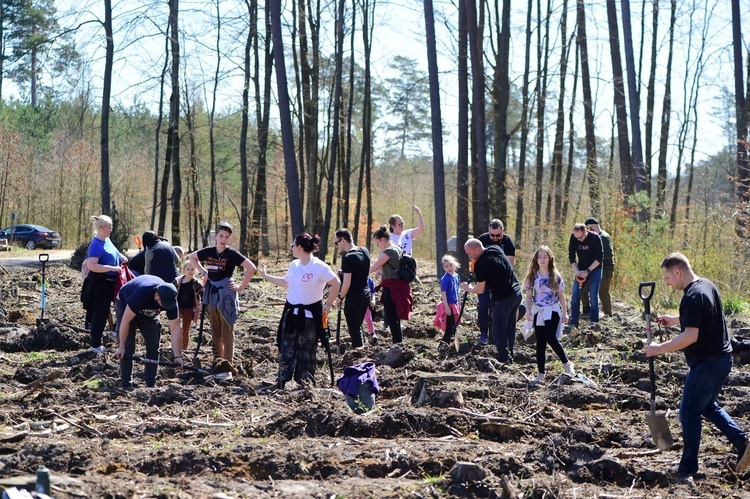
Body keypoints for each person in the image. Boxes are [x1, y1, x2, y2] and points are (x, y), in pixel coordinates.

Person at [646, 253, 750, 478]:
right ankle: (742, 442)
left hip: (707, 363)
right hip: (723, 360)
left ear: (677, 271)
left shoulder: (691, 297)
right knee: (706, 406)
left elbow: (690, 336)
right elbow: (700, 318)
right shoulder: (706, 286)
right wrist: (674, 320)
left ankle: (687, 469)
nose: (667, 283)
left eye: (667, 278)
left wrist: (658, 348)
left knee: (687, 413)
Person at [259, 233, 340, 389]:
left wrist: (328, 304)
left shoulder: (318, 266)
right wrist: (266, 276)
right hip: (291, 315)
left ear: (300, 248)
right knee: (286, 348)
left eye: (293, 245)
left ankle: (305, 383)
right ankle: (281, 380)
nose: (292, 248)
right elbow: (285, 282)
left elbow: (336, 282)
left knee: (307, 351)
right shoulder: (294, 265)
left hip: (310, 317)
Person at [188, 221, 256, 371]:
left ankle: (228, 363)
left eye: (226, 236)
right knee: (215, 329)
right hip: (212, 292)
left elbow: (251, 268)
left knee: (227, 329)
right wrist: (204, 272)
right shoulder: (209, 251)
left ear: (229, 239)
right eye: (221, 236)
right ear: (216, 237)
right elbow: (192, 257)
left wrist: (241, 287)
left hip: (226, 293)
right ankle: (217, 360)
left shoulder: (232, 254)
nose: (223, 239)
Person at [113, 274, 185, 389]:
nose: (166, 307)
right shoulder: (142, 294)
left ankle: (150, 383)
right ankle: (126, 383)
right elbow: (125, 321)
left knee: (153, 344)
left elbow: (175, 329)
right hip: (126, 304)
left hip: (150, 315)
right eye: (164, 304)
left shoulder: (170, 299)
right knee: (128, 347)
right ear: (157, 295)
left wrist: (178, 356)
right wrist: (121, 346)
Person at [461, 238, 522, 363]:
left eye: (470, 253)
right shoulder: (495, 249)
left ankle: (504, 360)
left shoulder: (481, 265)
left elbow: (480, 289)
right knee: (509, 326)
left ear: (477, 249)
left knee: (498, 330)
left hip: (504, 298)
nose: (469, 256)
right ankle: (510, 354)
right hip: (517, 293)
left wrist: (469, 288)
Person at [522, 246, 574, 383]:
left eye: (545, 256)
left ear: (550, 258)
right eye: (540, 257)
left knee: (551, 338)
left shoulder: (555, 275)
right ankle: (540, 374)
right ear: (536, 259)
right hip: (538, 310)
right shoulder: (532, 276)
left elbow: (561, 295)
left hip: (552, 309)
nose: (542, 259)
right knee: (540, 343)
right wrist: (528, 310)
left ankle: (567, 364)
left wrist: (565, 313)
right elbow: (528, 296)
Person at [80, 215, 128, 354]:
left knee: (110, 311)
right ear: (102, 228)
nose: (111, 229)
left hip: (110, 284)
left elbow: (114, 251)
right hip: (99, 284)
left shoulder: (107, 240)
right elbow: (92, 265)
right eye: (109, 227)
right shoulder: (95, 245)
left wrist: (120, 257)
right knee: (100, 314)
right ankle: (96, 344)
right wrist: (112, 268)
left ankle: (110, 334)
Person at [370, 225, 413, 344]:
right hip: (398, 286)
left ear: (382, 240)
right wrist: (380, 270)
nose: (377, 245)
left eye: (377, 242)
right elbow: (386, 265)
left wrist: (357, 271)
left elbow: (373, 267)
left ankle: (397, 344)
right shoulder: (397, 249)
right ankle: (398, 343)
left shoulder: (388, 251)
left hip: (391, 288)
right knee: (395, 318)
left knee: (391, 317)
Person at [476, 219, 516, 345]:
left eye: (498, 235)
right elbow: (475, 258)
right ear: (488, 231)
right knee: (483, 304)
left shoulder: (507, 242)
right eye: (492, 235)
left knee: (498, 307)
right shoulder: (482, 239)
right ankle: (483, 334)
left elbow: (510, 263)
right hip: (485, 279)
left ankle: (496, 333)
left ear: (502, 231)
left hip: (501, 282)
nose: (494, 238)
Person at [333, 229, 371, 348]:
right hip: (366, 294)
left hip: (353, 298)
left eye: (336, 243)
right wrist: (344, 272)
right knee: (358, 326)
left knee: (354, 330)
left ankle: (358, 356)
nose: (336, 246)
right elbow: (360, 271)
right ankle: (362, 350)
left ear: (343, 240)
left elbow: (347, 284)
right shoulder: (364, 251)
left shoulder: (348, 258)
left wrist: (340, 297)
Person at [567, 223, 603, 328]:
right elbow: (571, 256)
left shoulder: (595, 238)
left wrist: (588, 271)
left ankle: (594, 323)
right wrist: (576, 271)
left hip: (595, 269)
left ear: (585, 231)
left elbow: (599, 258)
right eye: (576, 237)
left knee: (593, 296)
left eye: (580, 237)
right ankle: (573, 322)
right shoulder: (574, 237)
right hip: (581, 268)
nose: (578, 240)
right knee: (574, 295)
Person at [581, 218, 615, 316]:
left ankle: (608, 314)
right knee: (584, 289)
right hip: (594, 269)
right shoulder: (596, 237)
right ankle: (587, 311)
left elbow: (608, 254)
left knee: (602, 291)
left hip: (606, 269)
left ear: (591, 227)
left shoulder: (603, 237)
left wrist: (595, 258)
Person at [176, 260, 203, 351]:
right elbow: (172, 292)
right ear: (184, 270)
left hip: (189, 308)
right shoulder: (178, 281)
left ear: (196, 271)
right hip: (178, 307)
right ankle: (176, 345)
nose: (190, 271)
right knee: (176, 327)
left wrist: (201, 304)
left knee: (186, 328)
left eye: (192, 269)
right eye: (188, 269)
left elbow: (202, 293)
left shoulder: (196, 283)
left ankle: (184, 347)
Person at [437, 255, 461, 345]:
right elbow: (443, 294)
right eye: (446, 266)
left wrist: (459, 303)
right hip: (449, 305)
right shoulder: (445, 279)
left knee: (455, 325)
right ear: (443, 267)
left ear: (454, 265)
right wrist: (447, 307)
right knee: (449, 326)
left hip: (455, 305)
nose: (449, 268)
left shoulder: (456, 276)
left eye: (450, 265)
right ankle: (443, 345)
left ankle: (455, 344)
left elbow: (457, 290)